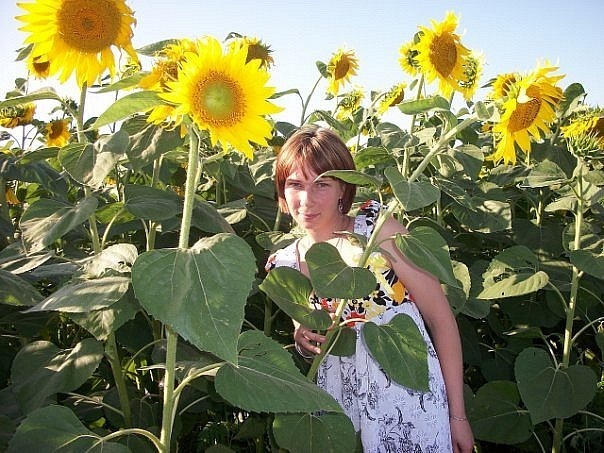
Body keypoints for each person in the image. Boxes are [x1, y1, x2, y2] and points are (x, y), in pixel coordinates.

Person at [265, 125, 474, 453]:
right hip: (339, 411)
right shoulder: (286, 264)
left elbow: (440, 318)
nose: (306, 200)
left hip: (408, 403)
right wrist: (302, 339)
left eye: (322, 184)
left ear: (343, 188)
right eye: (295, 184)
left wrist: (457, 417)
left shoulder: (378, 231)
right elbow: (312, 343)